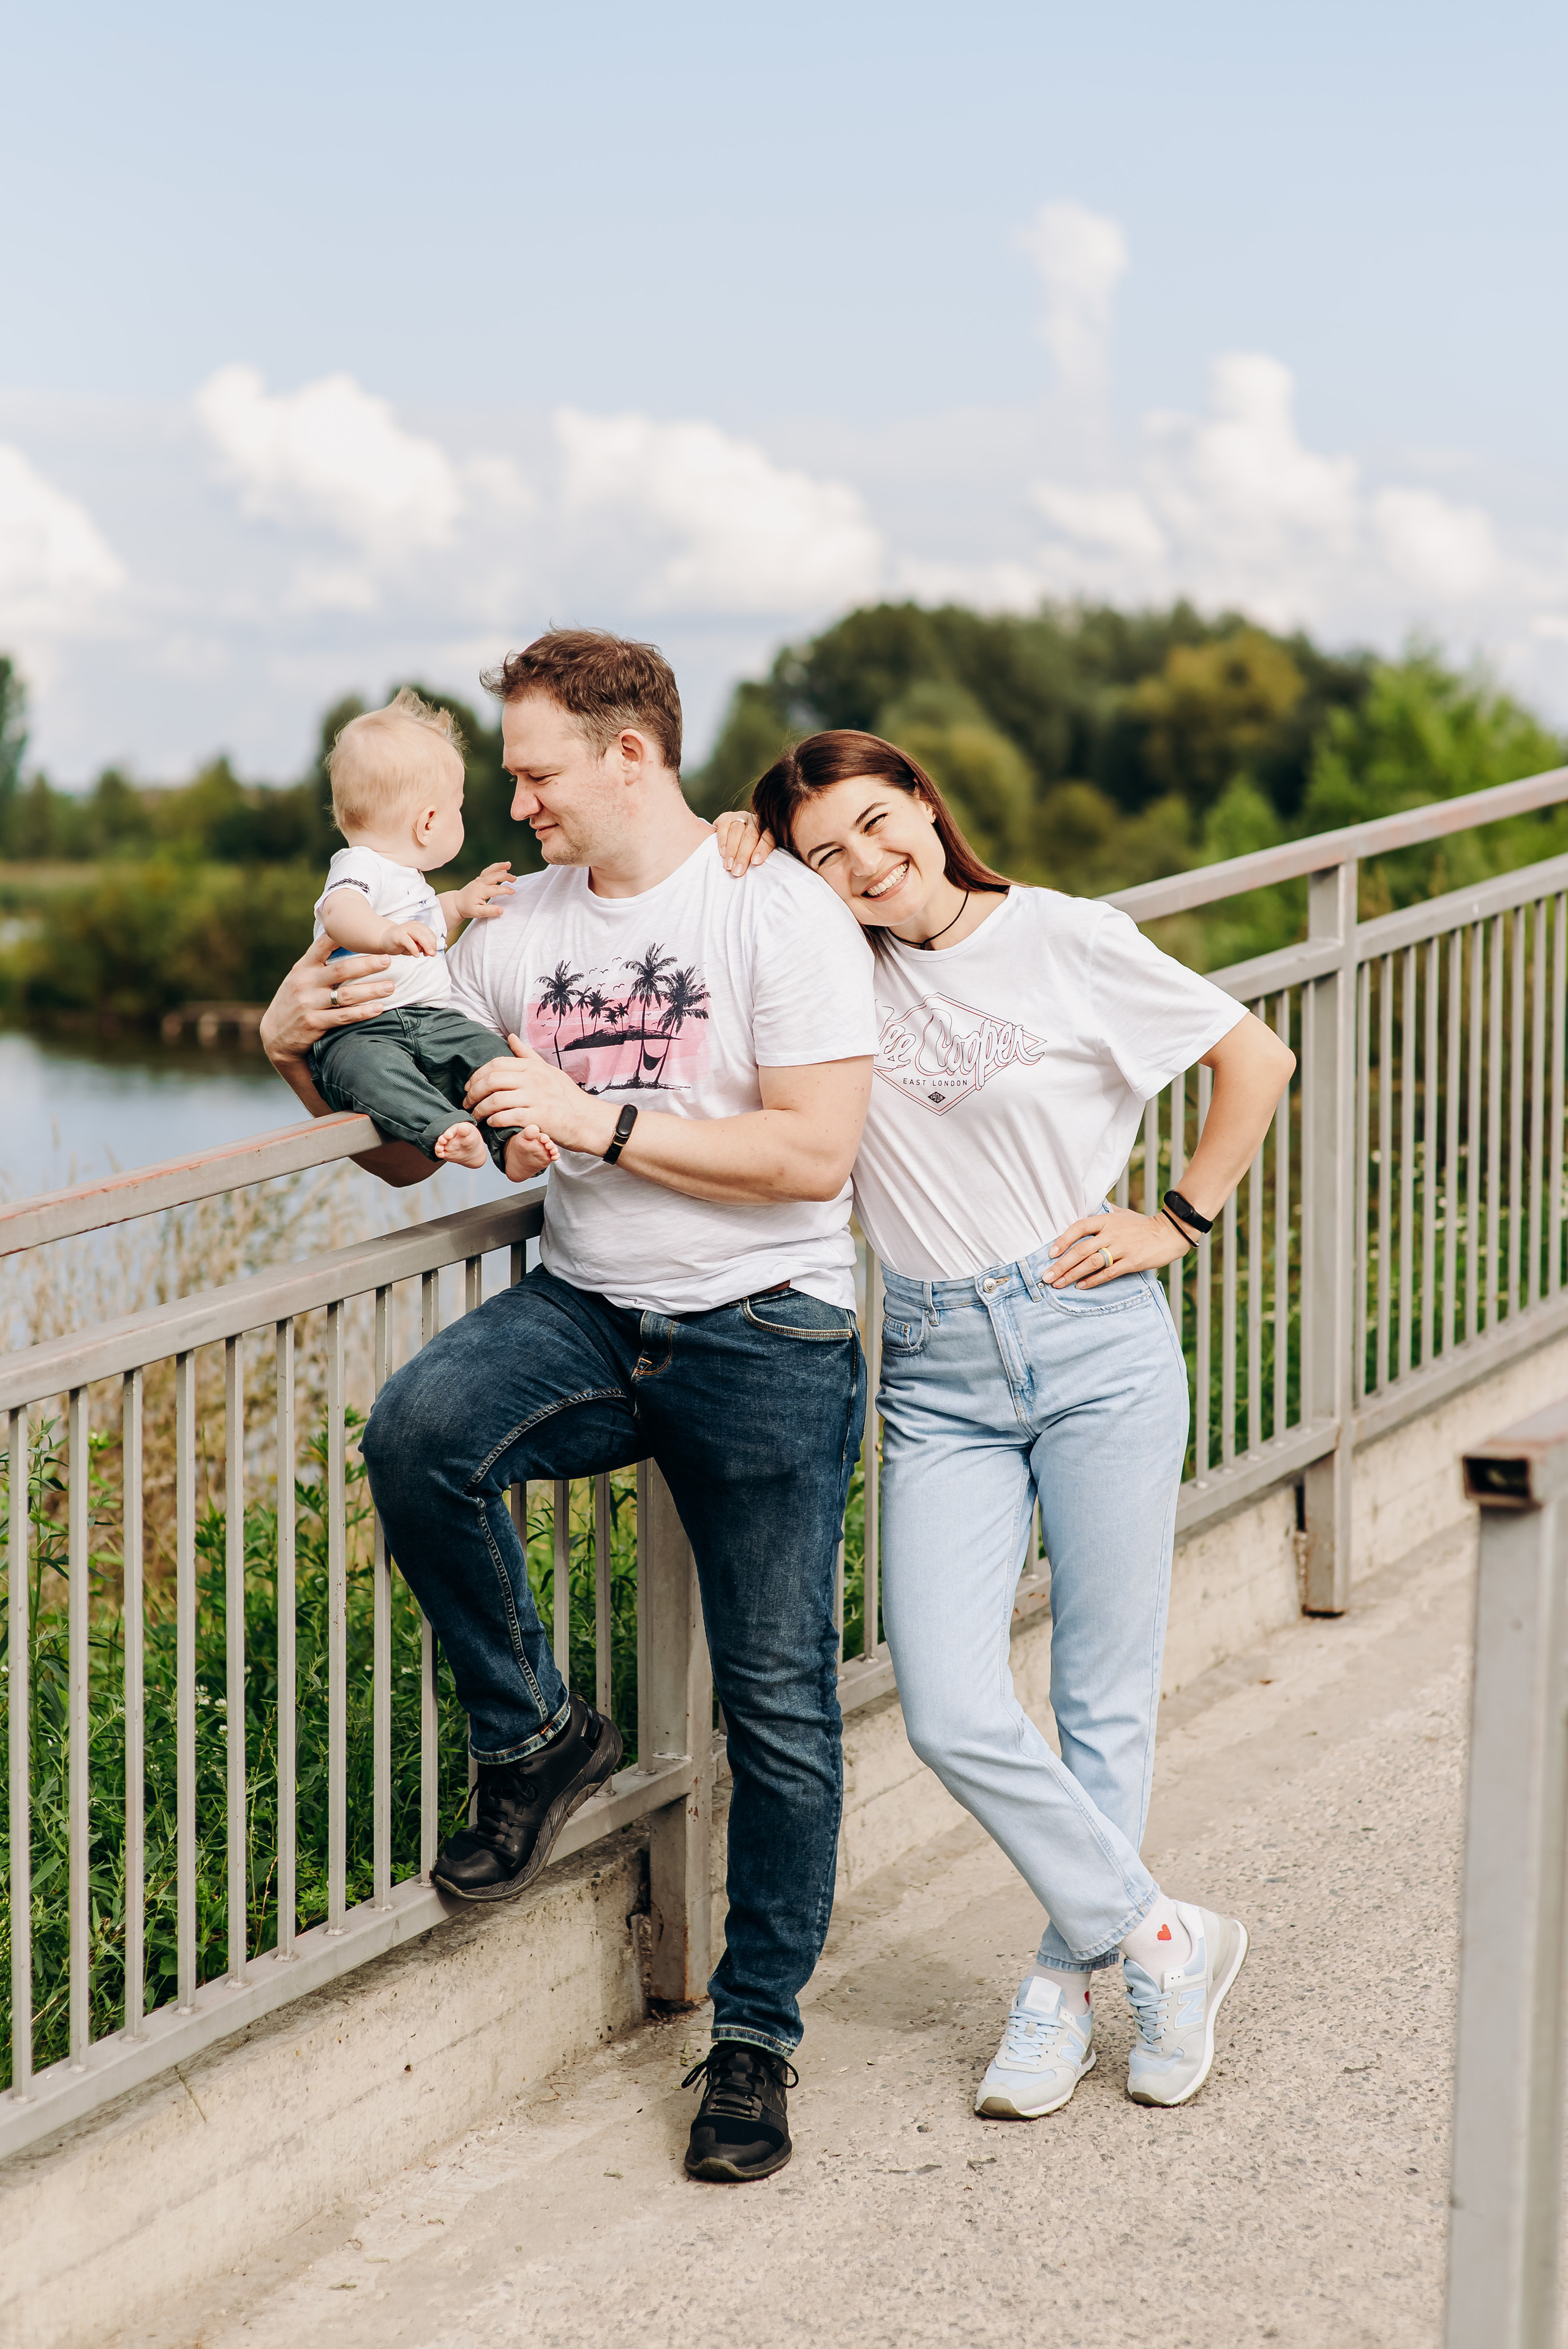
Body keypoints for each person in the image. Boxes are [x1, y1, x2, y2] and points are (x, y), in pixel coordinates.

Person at [258, 631, 878, 2185]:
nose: (513, 804)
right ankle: (538, 1730)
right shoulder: (507, 926)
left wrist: (593, 1112)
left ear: (630, 755)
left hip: (766, 1330)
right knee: (418, 1431)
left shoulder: (770, 904)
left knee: (779, 1708)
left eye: (534, 773)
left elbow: (812, 1156)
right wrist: (292, 1050)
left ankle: (753, 2038)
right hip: (593, 1312)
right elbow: (406, 1138)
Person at [712, 729, 1294, 2117]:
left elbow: (1252, 1057)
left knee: (1099, 1693)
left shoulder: (1068, 939)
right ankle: (1163, 1935)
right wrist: (728, 856)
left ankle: (1060, 1983)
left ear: (922, 799)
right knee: (952, 1701)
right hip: (929, 1367)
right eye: (822, 853)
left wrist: (1176, 1218)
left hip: (1089, 1335)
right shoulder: (826, 960)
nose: (863, 863)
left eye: (873, 822)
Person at [306, 687, 549, 1174]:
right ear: (429, 822)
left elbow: (427, 915)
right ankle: (444, 1128)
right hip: (362, 1029)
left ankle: (512, 1141)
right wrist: (383, 935)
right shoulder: (359, 864)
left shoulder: (410, 882)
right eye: (458, 808)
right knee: (368, 1074)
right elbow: (340, 910)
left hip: (433, 1021)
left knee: (487, 1054)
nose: (460, 817)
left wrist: (460, 902)